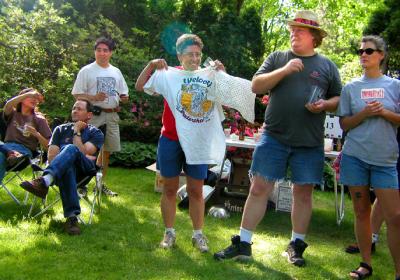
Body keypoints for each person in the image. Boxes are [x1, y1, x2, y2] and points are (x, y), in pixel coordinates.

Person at [214, 10, 342, 267]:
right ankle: (244, 244)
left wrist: (324, 104)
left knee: (303, 194)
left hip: (309, 142)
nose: (294, 33)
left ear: (314, 37)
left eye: (300, 30)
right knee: (260, 187)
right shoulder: (278, 58)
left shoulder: (327, 66)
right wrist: (284, 70)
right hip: (274, 137)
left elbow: (339, 100)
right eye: (292, 29)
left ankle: (295, 245)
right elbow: (256, 86)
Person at [135, 34, 226, 252]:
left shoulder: (209, 76)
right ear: (179, 55)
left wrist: (223, 75)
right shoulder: (168, 74)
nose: (195, 58)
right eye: (190, 54)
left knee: (196, 190)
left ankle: (198, 235)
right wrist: (150, 65)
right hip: (171, 139)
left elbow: (228, 96)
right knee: (169, 188)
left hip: (197, 142)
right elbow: (139, 86)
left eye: (198, 54)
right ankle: (169, 233)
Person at [337, 35, 400, 279]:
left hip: (385, 160)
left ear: (381, 55)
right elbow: (345, 124)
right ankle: (365, 264)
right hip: (355, 157)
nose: (364, 55)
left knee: (395, 217)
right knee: (361, 212)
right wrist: (364, 113)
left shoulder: (395, 86)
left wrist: (384, 112)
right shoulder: (351, 88)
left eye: (369, 51)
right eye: (360, 51)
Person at [20, 99, 104, 235]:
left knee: (71, 148)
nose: (75, 111)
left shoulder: (96, 133)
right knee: (67, 167)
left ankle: (44, 181)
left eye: (79, 109)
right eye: (73, 108)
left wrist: (76, 131)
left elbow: (82, 152)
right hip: (62, 171)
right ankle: (72, 219)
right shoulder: (60, 129)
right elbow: (52, 157)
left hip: (84, 172)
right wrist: (68, 157)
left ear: (89, 115)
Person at [72, 36, 129, 197]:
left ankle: (99, 184)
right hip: (92, 115)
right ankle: (81, 184)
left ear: (111, 53)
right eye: (99, 50)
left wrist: (124, 98)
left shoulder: (116, 71)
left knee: (106, 151)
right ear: (95, 52)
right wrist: (93, 98)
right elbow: (76, 94)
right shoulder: (87, 70)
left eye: (105, 50)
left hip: (111, 116)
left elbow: (124, 93)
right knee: (85, 149)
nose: (102, 53)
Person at [0, 88, 51, 184]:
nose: (34, 100)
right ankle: (10, 153)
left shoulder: (39, 119)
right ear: (21, 99)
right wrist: (28, 94)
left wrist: (36, 134)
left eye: (36, 98)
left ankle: (11, 154)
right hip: (6, 147)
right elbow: (8, 105)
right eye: (31, 97)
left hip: (23, 153)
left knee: (1, 155)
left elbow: (49, 147)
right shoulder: (13, 114)